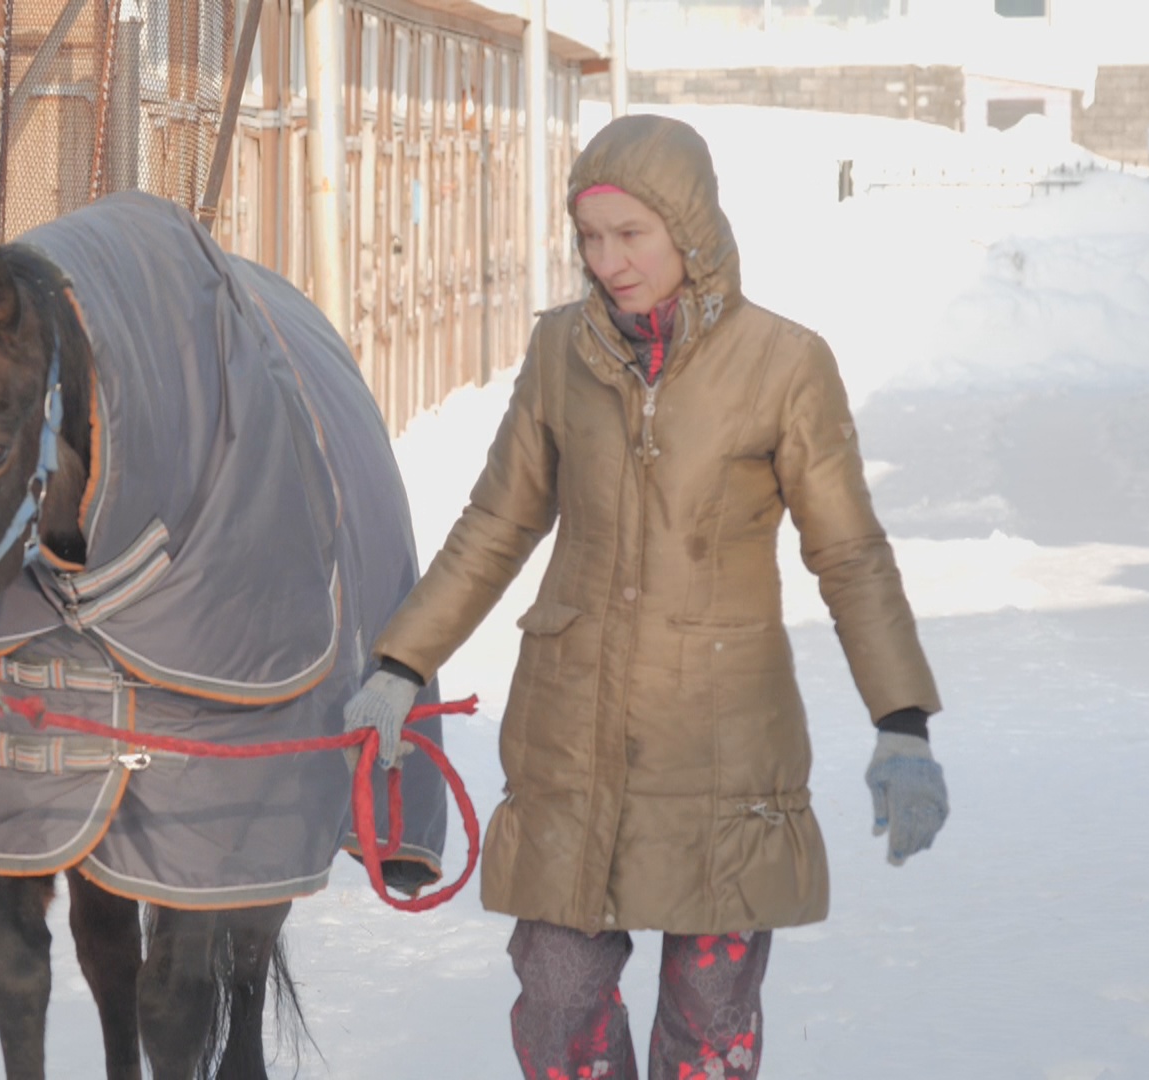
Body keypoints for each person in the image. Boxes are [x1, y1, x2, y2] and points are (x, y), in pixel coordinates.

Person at [341, 115, 948, 1080]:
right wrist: (401, 661)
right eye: (591, 237)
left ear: (692, 230)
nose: (609, 261)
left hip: (723, 745)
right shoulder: (560, 355)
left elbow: (850, 554)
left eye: (633, 236)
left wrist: (902, 720)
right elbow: (498, 522)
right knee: (558, 998)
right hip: (572, 738)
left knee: (710, 1023)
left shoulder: (785, 364)